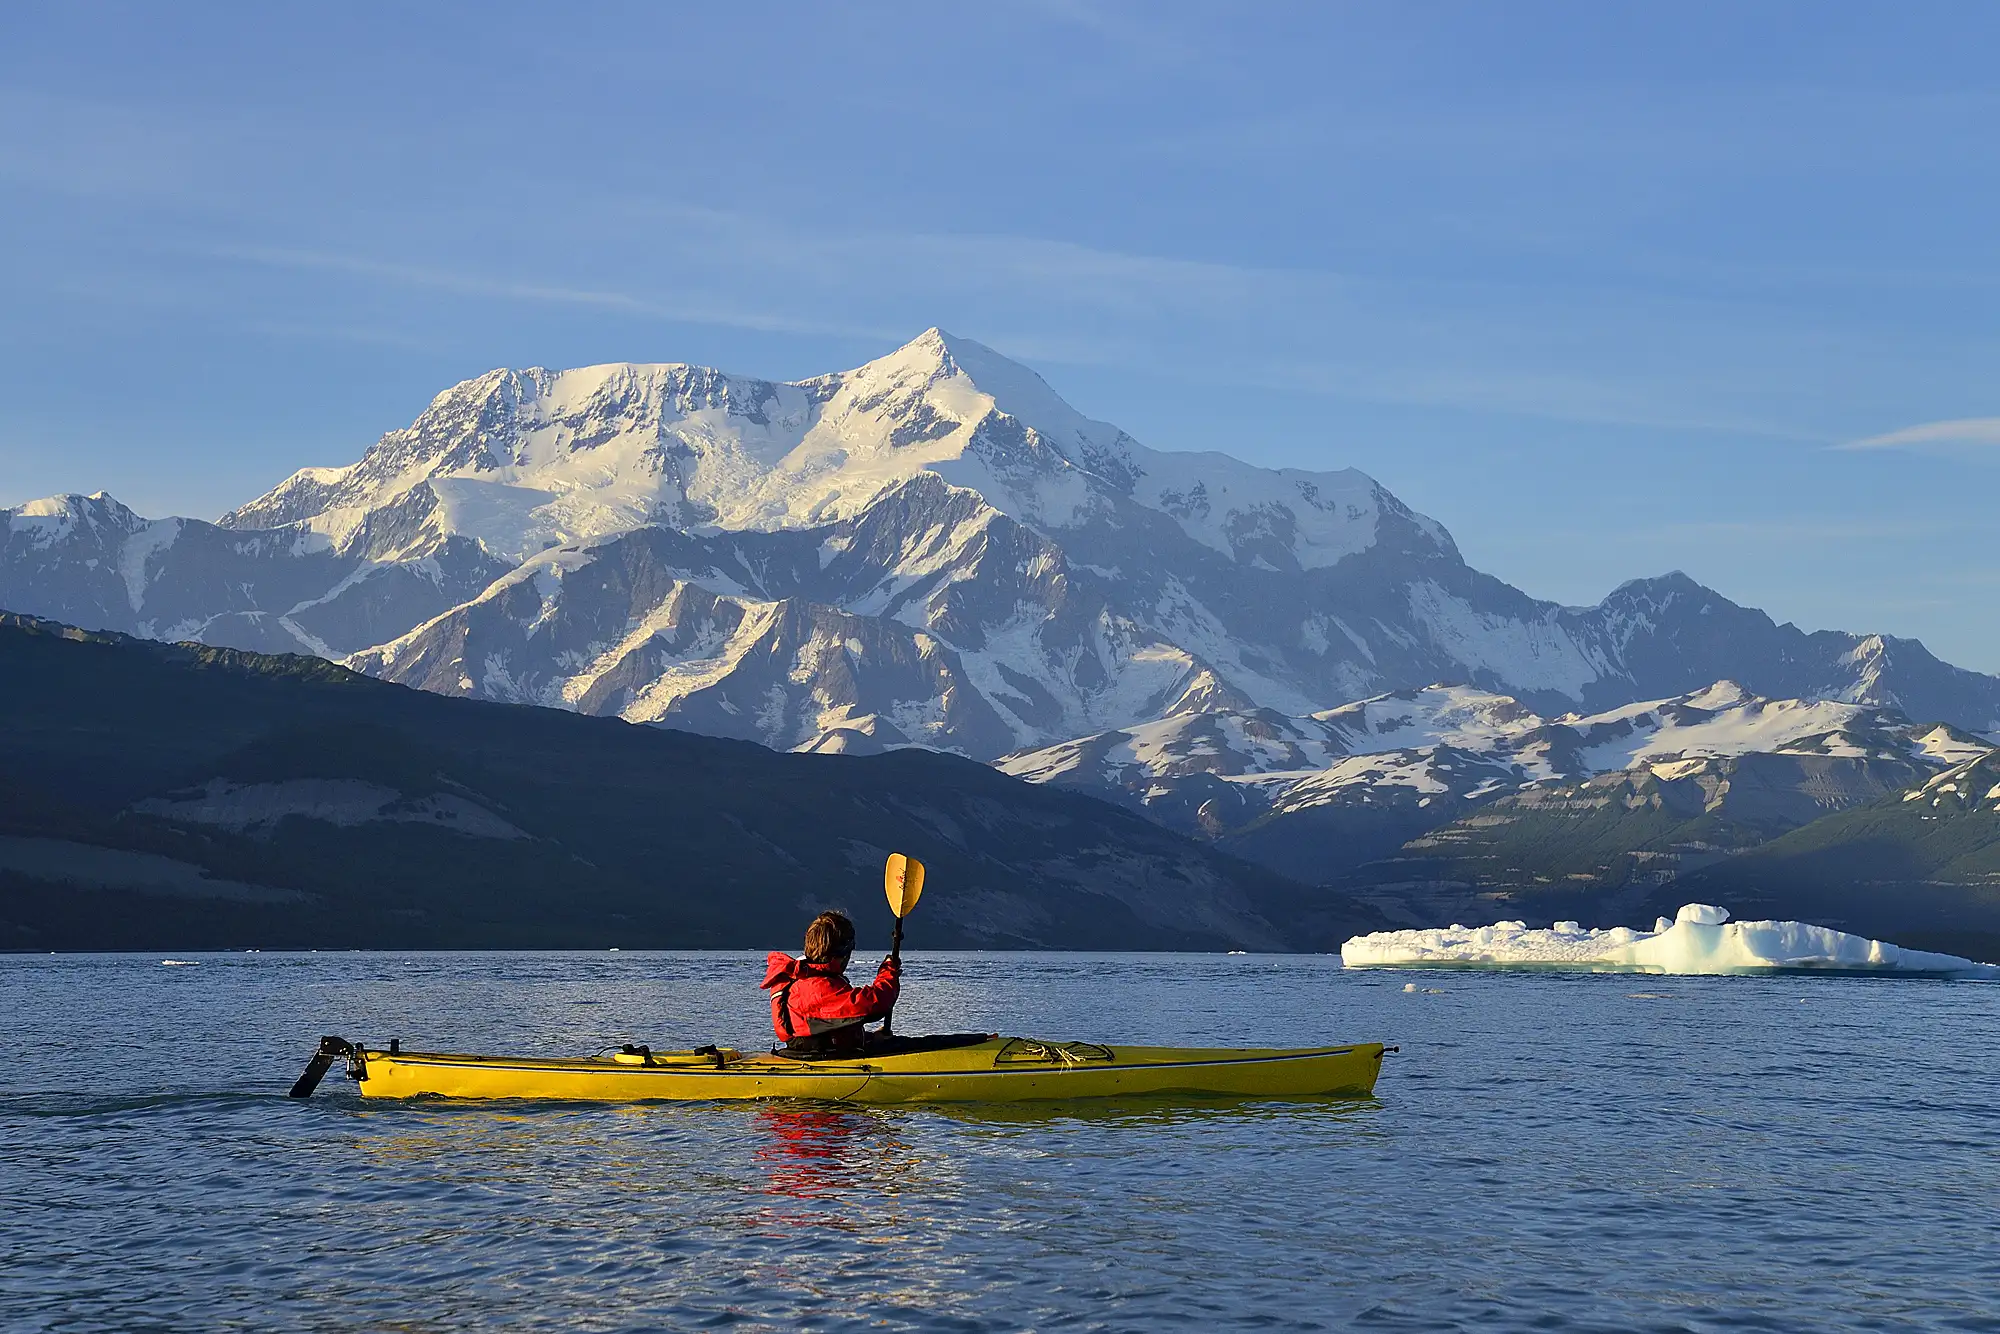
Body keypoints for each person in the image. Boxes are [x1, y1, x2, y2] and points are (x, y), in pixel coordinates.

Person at [760, 910, 900, 1054]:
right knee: (922, 1044)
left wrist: (868, 1038)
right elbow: (874, 1004)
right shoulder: (813, 987)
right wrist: (888, 972)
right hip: (822, 1056)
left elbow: (828, 1028)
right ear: (841, 953)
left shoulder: (801, 978)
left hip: (821, 1049)